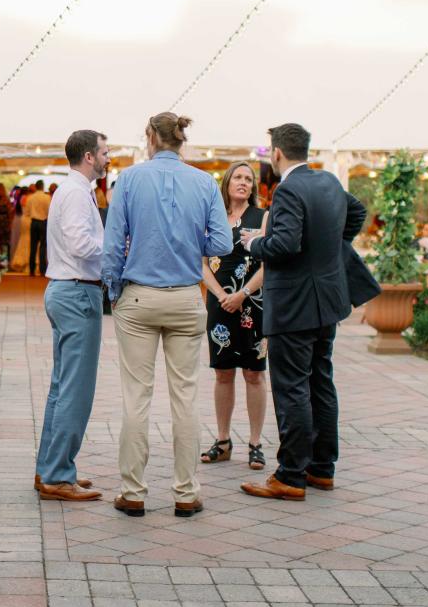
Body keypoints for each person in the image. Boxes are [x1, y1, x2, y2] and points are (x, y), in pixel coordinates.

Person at [102, 113, 231, 519]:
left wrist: (114, 292)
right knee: (185, 397)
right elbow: (223, 243)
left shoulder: (129, 180)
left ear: (151, 137)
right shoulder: (205, 183)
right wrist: (194, 241)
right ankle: (186, 493)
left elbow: (111, 247)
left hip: (138, 297)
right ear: (180, 141)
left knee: (136, 398)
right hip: (185, 299)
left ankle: (134, 492)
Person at [241, 123, 366, 502]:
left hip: (294, 304)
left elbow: (285, 244)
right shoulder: (328, 181)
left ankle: (291, 475)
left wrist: (254, 244)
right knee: (320, 382)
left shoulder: (289, 188)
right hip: (328, 300)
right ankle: (322, 469)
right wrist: (328, 251)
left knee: (292, 386)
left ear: (277, 153)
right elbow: (357, 213)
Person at [36, 130, 110, 503]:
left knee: (61, 387)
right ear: (88, 157)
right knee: (75, 391)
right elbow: (82, 245)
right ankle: (57, 474)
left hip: (67, 290)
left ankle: (51, 468)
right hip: (78, 291)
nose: (108, 158)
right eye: (104, 153)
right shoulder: (78, 193)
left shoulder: (73, 190)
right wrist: (117, 250)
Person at [201, 161, 268, 473]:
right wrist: (219, 294)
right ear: (226, 183)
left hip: (252, 302)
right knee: (222, 373)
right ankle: (223, 440)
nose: (243, 182)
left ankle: (255, 443)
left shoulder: (262, 217)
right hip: (219, 303)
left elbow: (269, 263)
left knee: (254, 373)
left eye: (249, 179)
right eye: (238, 177)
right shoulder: (212, 218)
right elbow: (200, 261)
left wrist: (242, 294)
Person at [25, 181, 52, 277]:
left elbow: (26, 212)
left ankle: (31, 270)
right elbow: (50, 211)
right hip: (44, 222)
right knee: (43, 247)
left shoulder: (30, 197)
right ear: (43, 187)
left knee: (33, 246)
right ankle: (42, 270)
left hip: (34, 222)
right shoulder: (47, 197)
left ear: (36, 187)